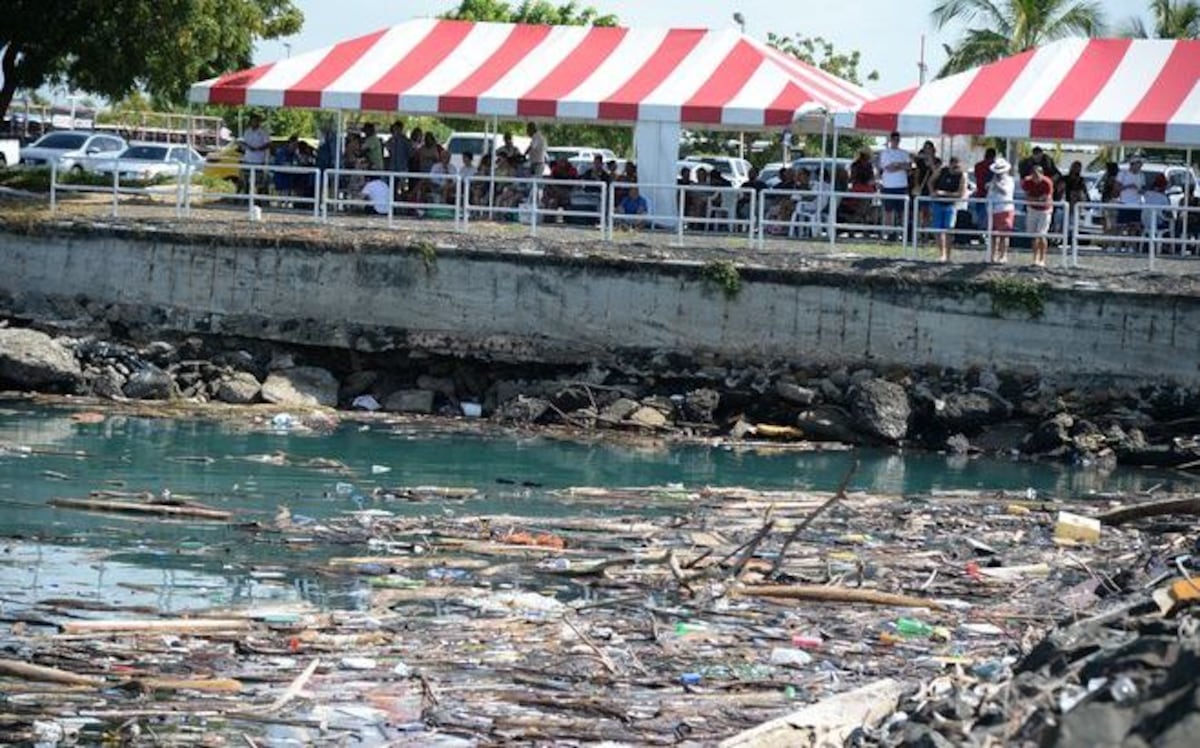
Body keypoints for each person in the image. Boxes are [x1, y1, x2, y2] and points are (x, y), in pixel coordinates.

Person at [930, 156, 968, 262]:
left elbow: (961, 194)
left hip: (951, 205)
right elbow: (930, 181)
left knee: (949, 230)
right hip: (938, 204)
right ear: (950, 164)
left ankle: (948, 255)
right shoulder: (942, 171)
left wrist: (944, 193)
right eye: (953, 165)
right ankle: (941, 254)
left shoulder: (962, 176)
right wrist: (932, 192)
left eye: (957, 166)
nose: (955, 168)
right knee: (938, 230)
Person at [879, 131, 911, 239]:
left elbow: (908, 166)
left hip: (901, 185)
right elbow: (887, 168)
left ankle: (902, 233)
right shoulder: (885, 153)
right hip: (888, 185)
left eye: (897, 139)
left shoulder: (904, 153)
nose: (896, 142)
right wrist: (900, 166)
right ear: (890, 140)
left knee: (902, 211)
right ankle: (889, 232)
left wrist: (896, 165)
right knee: (888, 211)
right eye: (894, 139)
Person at [1022, 164, 1054, 267]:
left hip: (1045, 210)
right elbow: (1027, 196)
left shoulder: (1047, 183)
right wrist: (1034, 199)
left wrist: (1034, 199)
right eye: (1033, 175)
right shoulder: (1027, 182)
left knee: (1041, 234)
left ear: (1042, 174)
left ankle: (1042, 258)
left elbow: (1045, 198)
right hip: (1032, 209)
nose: (1035, 177)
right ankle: (1035, 258)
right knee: (1033, 235)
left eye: (1037, 175)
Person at [987, 157, 1015, 263]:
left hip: (1005, 210)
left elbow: (1005, 192)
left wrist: (995, 185)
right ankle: (992, 256)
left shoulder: (1009, 180)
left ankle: (1003, 255)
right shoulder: (992, 182)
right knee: (993, 235)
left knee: (1004, 235)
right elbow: (989, 195)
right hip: (993, 210)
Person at [239, 113, 270, 194]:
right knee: (246, 180)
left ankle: (258, 199)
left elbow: (268, 144)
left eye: (256, 121)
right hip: (247, 159)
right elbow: (244, 143)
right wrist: (247, 146)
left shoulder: (263, 132)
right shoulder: (247, 131)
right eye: (253, 121)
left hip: (259, 160)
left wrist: (258, 148)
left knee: (258, 182)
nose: (254, 122)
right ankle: (246, 197)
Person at [972, 147, 996, 231]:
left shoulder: (977, 166)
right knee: (990, 219)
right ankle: (985, 234)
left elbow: (977, 177)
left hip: (980, 194)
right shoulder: (994, 167)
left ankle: (981, 233)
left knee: (980, 217)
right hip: (991, 196)